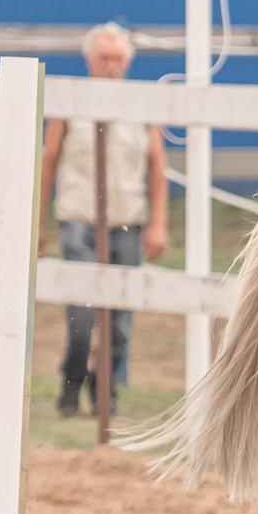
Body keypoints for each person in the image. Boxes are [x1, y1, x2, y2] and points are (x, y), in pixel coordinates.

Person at [39, 23, 170, 415]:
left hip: (126, 220)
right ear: (89, 61)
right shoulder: (69, 104)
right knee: (82, 312)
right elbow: (49, 162)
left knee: (120, 321)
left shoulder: (141, 106)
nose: (111, 65)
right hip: (78, 218)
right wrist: (37, 224)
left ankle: (105, 389)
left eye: (117, 58)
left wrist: (159, 223)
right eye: (104, 58)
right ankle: (72, 377)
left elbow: (157, 167)